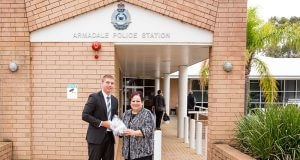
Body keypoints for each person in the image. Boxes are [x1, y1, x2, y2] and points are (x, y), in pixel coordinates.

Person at [82, 75, 118, 160]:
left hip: (109, 138)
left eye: (112, 83)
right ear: (102, 83)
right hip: (96, 138)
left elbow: (114, 117)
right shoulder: (94, 97)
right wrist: (101, 123)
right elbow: (85, 115)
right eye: (107, 82)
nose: (110, 85)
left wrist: (119, 127)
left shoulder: (115, 100)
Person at [122, 91, 154, 160]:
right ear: (130, 102)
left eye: (138, 101)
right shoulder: (126, 114)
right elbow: (122, 128)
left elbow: (148, 131)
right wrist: (120, 131)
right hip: (128, 153)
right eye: (133, 101)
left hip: (143, 154)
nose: (135, 103)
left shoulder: (147, 114)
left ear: (142, 102)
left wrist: (133, 132)